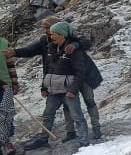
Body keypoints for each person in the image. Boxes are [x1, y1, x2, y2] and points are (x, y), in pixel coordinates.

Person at [7, 17, 102, 146]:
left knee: (88, 101)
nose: (45, 31)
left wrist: (75, 45)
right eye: (45, 28)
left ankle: (96, 130)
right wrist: (14, 52)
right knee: (66, 107)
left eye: (47, 28)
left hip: (83, 76)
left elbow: (85, 43)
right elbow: (31, 51)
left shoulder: (73, 39)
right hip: (61, 78)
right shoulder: (47, 42)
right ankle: (70, 132)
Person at [38, 22, 92, 148]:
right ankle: (43, 139)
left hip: (68, 91)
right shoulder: (50, 48)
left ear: (62, 35)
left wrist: (73, 90)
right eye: (51, 34)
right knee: (47, 115)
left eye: (54, 34)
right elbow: (47, 69)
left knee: (77, 116)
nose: (51, 37)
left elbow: (80, 73)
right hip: (53, 91)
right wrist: (44, 87)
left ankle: (84, 143)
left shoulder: (73, 50)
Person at [0, 36, 18, 155]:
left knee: (7, 114)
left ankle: (7, 141)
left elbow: (10, 63)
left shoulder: (4, 43)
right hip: (3, 84)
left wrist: (14, 82)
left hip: (6, 85)